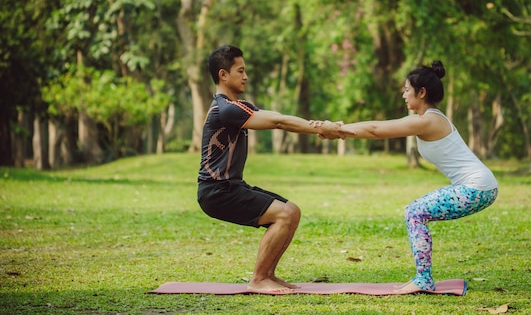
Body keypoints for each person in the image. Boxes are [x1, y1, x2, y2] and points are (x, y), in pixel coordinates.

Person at [312, 60, 498, 293]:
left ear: (422, 92)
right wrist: (338, 130)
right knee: (416, 212)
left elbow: (376, 130)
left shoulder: (429, 120)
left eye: (407, 90)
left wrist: (338, 129)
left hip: (477, 187)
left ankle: (423, 279)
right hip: (481, 186)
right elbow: (376, 128)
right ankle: (423, 278)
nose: (403, 95)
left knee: (415, 212)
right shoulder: (430, 118)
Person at [197, 44, 352, 293]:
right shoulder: (226, 110)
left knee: (291, 211)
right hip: (217, 191)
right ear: (223, 74)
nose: (246, 76)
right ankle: (258, 279)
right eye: (240, 70)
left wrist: (318, 126)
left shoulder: (237, 106)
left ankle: (268, 274)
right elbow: (279, 122)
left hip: (230, 186)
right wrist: (321, 127)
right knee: (284, 215)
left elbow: (279, 116)